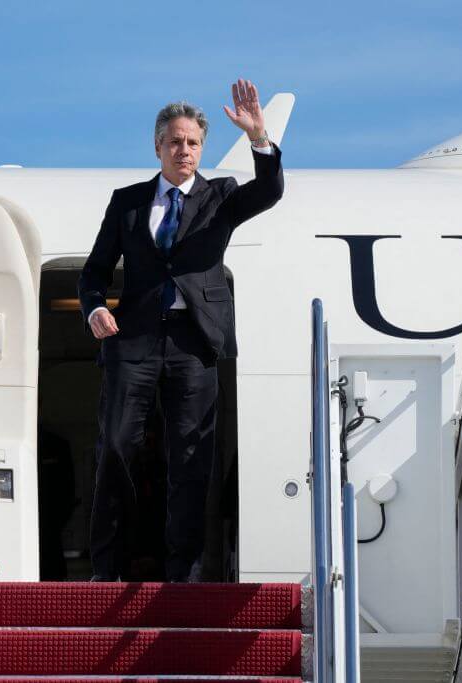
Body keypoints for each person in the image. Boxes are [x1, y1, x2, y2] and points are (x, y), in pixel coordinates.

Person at [78, 79, 284, 581]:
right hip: (134, 341)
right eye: (174, 141)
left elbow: (271, 190)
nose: (184, 150)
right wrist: (93, 308)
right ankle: (108, 569)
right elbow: (94, 272)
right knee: (116, 449)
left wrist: (260, 139)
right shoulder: (127, 202)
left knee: (192, 457)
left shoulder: (221, 196)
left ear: (202, 148)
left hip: (195, 344)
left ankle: (185, 574)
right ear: (158, 146)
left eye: (192, 142)